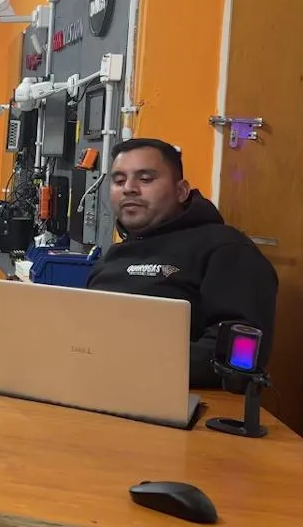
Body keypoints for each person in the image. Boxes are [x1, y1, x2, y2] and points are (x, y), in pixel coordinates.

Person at [86, 138, 278, 388]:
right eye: (119, 180)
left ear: (181, 191)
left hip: (185, 396)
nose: (129, 188)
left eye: (146, 179)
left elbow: (240, 353)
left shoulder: (226, 249)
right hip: (98, 385)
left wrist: (135, 362)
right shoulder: (113, 256)